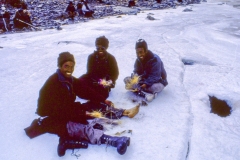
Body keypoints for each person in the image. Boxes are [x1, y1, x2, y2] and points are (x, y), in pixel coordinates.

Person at [24, 52, 139, 157]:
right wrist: (82, 114)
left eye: (71, 66)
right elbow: (60, 111)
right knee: (77, 127)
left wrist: (102, 100)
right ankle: (114, 141)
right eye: (66, 66)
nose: (69, 69)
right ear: (60, 66)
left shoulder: (69, 79)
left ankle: (124, 112)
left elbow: (85, 90)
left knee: (93, 105)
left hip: (67, 109)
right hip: (52, 117)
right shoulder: (53, 83)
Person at [79, 36, 119, 101]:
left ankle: (94, 96)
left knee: (103, 93)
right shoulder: (91, 57)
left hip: (105, 81)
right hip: (94, 79)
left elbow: (115, 73)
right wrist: (97, 81)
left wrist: (109, 81)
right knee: (80, 81)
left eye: (102, 48)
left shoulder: (111, 58)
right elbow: (89, 72)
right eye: (98, 48)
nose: (100, 50)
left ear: (106, 48)